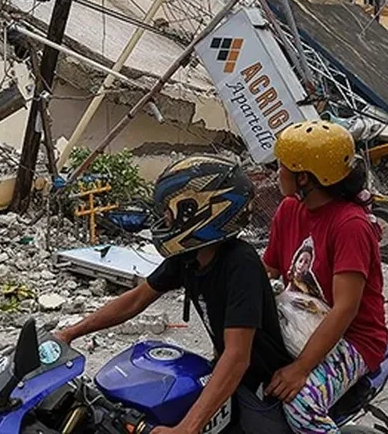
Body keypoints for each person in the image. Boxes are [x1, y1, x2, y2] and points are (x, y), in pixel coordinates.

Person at [54, 155, 293, 434]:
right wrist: (70, 333)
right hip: (225, 376)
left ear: (202, 211)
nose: (164, 218)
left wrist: (186, 429)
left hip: (259, 389)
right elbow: (135, 299)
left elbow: (238, 356)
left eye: (170, 210)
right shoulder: (189, 257)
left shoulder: (241, 264)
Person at [263, 121, 388, 434]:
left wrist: (301, 369)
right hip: (301, 322)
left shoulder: (350, 226)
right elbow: (270, 269)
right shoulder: (289, 209)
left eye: (282, 167)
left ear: (304, 177)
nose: (276, 173)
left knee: (301, 404)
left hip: (354, 338)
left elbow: (345, 308)